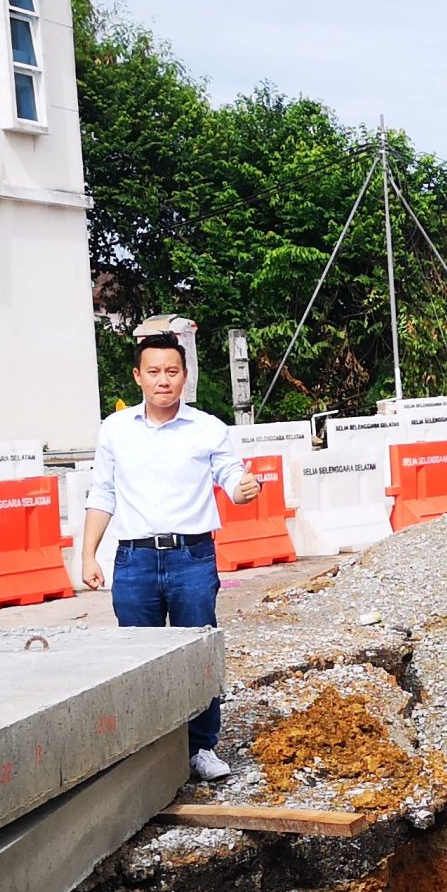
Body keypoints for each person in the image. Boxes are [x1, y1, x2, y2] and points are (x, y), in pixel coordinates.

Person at [81, 332, 258, 781]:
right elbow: (102, 492)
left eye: (172, 372)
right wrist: (88, 555)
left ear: (185, 376)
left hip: (191, 559)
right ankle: (146, 750)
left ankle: (201, 747)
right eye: (154, 372)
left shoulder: (208, 429)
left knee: (197, 652)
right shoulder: (115, 429)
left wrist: (243, 490)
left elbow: (232, 478)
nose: (164, 381)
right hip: (135, 561)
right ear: (138, 376)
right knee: (138, 657)